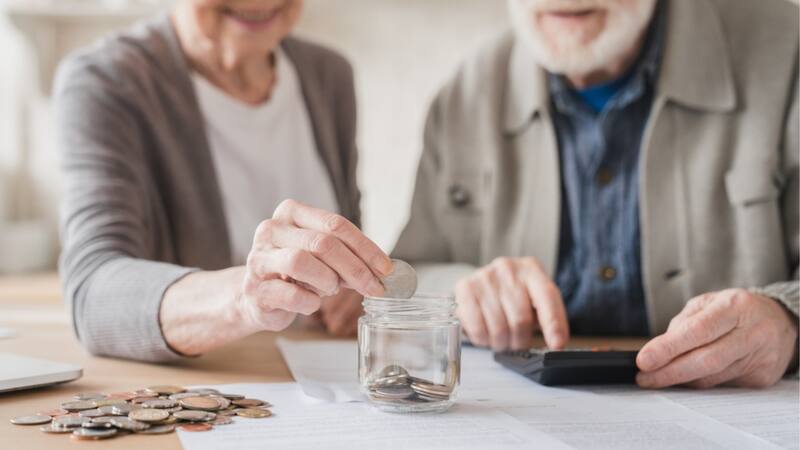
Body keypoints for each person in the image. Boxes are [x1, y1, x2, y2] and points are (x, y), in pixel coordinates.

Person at [393, 0, 799, 389]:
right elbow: (406, 279)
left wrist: (786, 320)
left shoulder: (787, 50)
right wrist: (463, 291)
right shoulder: (467, 93)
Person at [55, 0, 391, 363]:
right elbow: (93, 294)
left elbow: (348, 244)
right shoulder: (107, 80)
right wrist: (244, 299)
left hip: (318, 383)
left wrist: (349, 286)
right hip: (204, 388)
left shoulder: (329, 75)